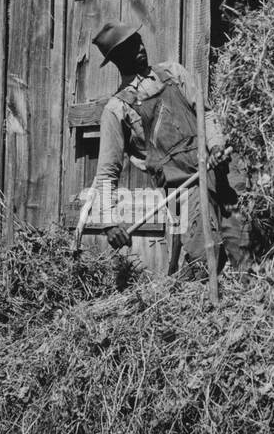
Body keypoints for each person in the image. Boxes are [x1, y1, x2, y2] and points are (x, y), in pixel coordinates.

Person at [90, 23, 251, 275]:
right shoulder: (116, 109)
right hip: (178, 192)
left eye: (140, 40)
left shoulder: (174, 73)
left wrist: (216, 145)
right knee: (200, 260)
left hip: (215, 168)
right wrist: (109, 222)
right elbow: (106, 174)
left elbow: (206, 114)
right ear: (117, 59)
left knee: (244, 244)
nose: (141, 48)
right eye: (132, 47)